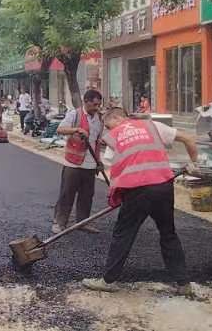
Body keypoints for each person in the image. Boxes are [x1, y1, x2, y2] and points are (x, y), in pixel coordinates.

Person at [82, 107, 198, 294]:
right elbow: (189, 139)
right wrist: (194, 163)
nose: (110, 130)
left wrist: (117, 196)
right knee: (168, 234)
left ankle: (108, 281)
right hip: (163, 186)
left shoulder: (114, 137)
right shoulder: (152, 126)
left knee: (123, 234)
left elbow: (115, 171)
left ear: (118, 118)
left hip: (137, 191)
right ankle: (184, 284)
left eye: (109, 125)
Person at [53, 90, 105, 234]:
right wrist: (76, 130)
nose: (97, 107)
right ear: (86, 101)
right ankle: (59, 222)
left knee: (87, 195)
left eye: (99, 104)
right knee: (67, 193)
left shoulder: (99, 119)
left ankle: (83, 222)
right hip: (73, 163)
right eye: (94, 104)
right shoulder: (74, 114)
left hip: (90, 164)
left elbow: (97, 143)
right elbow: (60, 129)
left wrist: (98, 161)